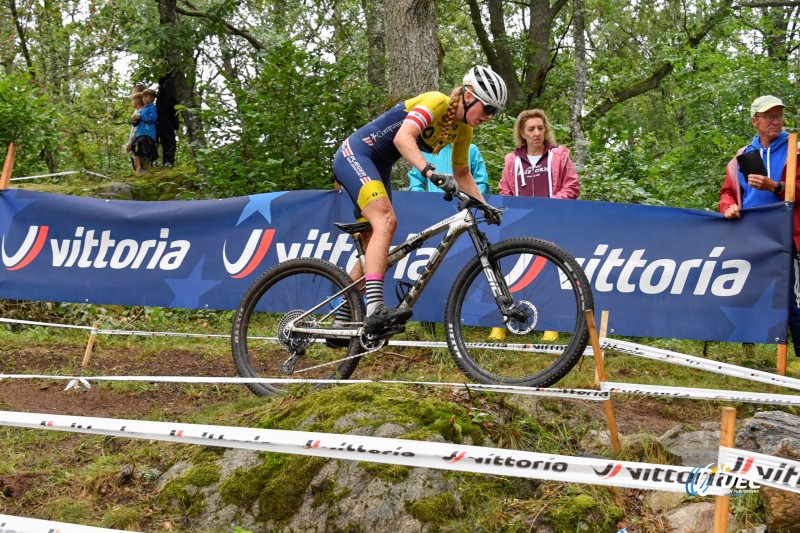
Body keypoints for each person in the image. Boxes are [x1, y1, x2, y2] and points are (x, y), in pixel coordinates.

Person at [332, 65, 507, 339]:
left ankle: (342, 317)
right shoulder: (436, 101)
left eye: (494, 112)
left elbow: (462, 173)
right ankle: (374, 308)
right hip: (356, 153)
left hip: (378, 167)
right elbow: (404, 138)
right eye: (488, 109)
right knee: (386, 221)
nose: (490, 117)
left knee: (373, 244)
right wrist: (430, 171)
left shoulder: (463, 132)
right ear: (469, 96)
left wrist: (484, 205)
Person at [719, 94, 800, 358]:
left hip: (787, 235)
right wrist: (728, 207)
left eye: (778, 116)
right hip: (750, 235)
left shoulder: (795, 149)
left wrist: (775, 187)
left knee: (791, 299)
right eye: (769, 116)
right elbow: (728, 191)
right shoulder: (743, 155)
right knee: (747, 293)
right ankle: (748, 353)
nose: (776, 121)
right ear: (755, 121)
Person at [490, 108, 580, 341]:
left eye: (540, 128)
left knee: (550, 270)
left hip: (551, 222)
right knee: (510, 270)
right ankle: (502, 323)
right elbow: (504, 190)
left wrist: (548, 206)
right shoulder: (511, 160)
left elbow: (572, 187)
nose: (537, 133)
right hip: (520, 224)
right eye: (531, 129)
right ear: (522, 132)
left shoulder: (558, 156)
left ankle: (552, 326)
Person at [407, 143, 490, 194]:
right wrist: (423, 200)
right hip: (434, 205)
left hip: (465, 207)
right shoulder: (427, 151)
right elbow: (416, 180)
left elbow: (481, 182)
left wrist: (475, 201)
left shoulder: (471, 149)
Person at [132, 88, 159, 171]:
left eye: (146, 96)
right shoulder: (143, 109)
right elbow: (137, 123)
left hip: (148, 134)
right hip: (140, 134)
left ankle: (146, 169)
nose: (144, 98)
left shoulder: (152, 108)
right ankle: (143, 170)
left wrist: (140, 117)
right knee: (138, 153)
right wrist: (134, 121)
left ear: (152, 98)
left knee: (146, 152)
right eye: (143, 96)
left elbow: (152, 118)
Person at [156, 72, 179, 167]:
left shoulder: (168, 83)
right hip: (163, 117)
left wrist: (162, 109)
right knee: (165, 140)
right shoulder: (164, 85)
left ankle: (168, 161)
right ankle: (166, 161)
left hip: (167, 117)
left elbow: (169, 100)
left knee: (168, 139)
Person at [125, 92, 145, 172]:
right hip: (135, 140)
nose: (132, 102)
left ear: (137, 101)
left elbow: (135, 129)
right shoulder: (137, 112)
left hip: (137, 140)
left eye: (133, 100)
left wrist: (130, 143)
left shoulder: (140, 113)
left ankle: (138, 175)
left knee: (137, 160)